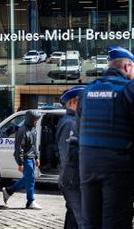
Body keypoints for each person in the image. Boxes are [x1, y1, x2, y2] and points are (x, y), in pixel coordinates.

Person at [77, 46, 134, 229]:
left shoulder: (87, 91)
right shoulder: (131, 90)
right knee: (116, 221)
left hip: (87, 167)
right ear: (127, 67)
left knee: (90, 221)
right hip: (118, 168)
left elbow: (79, 129)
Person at [2, 110, 42, 210]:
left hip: (31, 158)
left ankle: (8, 190)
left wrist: (36, 157)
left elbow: (33, 145)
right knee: (31, 179)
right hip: (26, 158)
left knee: (28, 178)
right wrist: (20, 163)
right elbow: (18, 149)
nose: (36, 122)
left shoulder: (33, 129)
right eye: (35, 120)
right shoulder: (22, 131)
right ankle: (30, 201)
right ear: (31, 120)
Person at [56, 86, 85, 229]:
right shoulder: (70, 123)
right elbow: (69, 155)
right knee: (83, 220)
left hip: (73, 179)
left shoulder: (73, 121)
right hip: (73, 180)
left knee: (73, 219)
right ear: (74, 103)